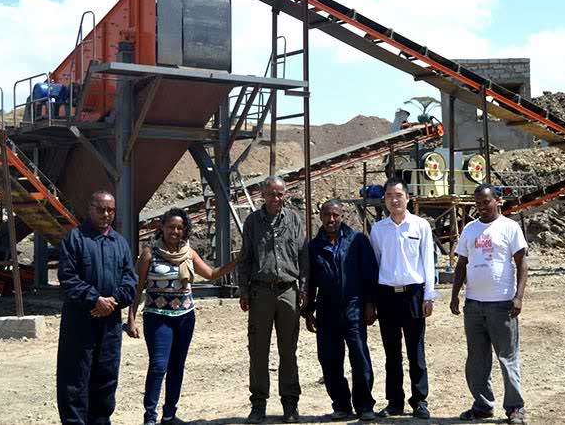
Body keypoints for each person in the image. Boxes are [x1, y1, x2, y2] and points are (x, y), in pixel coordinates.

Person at [126, 208, 239, 425]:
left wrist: (237, 261)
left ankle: (169, 416)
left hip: (185, 318)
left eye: (179, 228)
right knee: (159, 366)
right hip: (157, 317)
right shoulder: (149, 254)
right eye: (170, 227)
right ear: (162, 228)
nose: (175, 231)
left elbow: (212, 274)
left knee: (177, 365)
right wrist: (131, 319)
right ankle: (149, 418)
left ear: (184, 230)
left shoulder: (188, 253)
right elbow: (137, 289)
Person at [56, 190, 137, 425]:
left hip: (109, 324)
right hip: (80, 321)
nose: (105, 214)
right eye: (101, 209)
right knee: (75, 377)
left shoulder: (120, 243)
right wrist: (94, 300)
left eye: (110, 210)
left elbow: (130, 281)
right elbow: (68, 278)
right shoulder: (74, 239)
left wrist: (111, 303)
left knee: (106, 375)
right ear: (90, 209)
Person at [450, 184, 529, 425]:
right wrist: (455, 295)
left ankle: (515, 408)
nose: (481, 206)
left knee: (507, 358)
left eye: (486, 201)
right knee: (476, 359)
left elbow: (522, 264)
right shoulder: (470, 230)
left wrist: (518, 297)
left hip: (502, 305)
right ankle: (483, 405)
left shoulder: (510, 227)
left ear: (497, 201)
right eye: (478, 203)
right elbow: (461, 265)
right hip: (474, 306)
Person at [238, 176, 309, 424]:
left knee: (288, 350)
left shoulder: (294, 220)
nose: (276, 198)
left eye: (280, 194)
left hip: (288, 291)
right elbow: (245, 258)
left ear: (285, 195)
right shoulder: (253, 222)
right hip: (260, 293)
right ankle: (258, 405)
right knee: (258, 350)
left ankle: (290, 404)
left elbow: (303, 256)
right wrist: (243, 291)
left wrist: (304, 288)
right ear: (263, 194)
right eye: (271, 194)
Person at [304, 200, 378, 421]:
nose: (331, 220)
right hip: (327, 310)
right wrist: (308, 311)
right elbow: (309, 282)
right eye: (327, 215)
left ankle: (365, 405)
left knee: (360, 358)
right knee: (329, 359)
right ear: (321, 216)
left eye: (335, 215)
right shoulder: (314, 246)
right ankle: (341, 405)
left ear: (342, 215)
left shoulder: (357, 240)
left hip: (353, 307)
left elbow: (369, 274)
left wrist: (370, 304)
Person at [368, 177, 436, 420]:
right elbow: (374, 265)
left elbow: (428, 262)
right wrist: (373, 301)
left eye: (398, 195)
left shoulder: (420, 226)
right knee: (391, 353)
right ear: (384, 200)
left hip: (414, 295)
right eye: (389, 196)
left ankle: (420, 401)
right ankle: (395, 402)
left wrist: (429, 296)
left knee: (416, 351)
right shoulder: (378, 230)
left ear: (408, 198)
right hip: (387, 296)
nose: (394, 200)